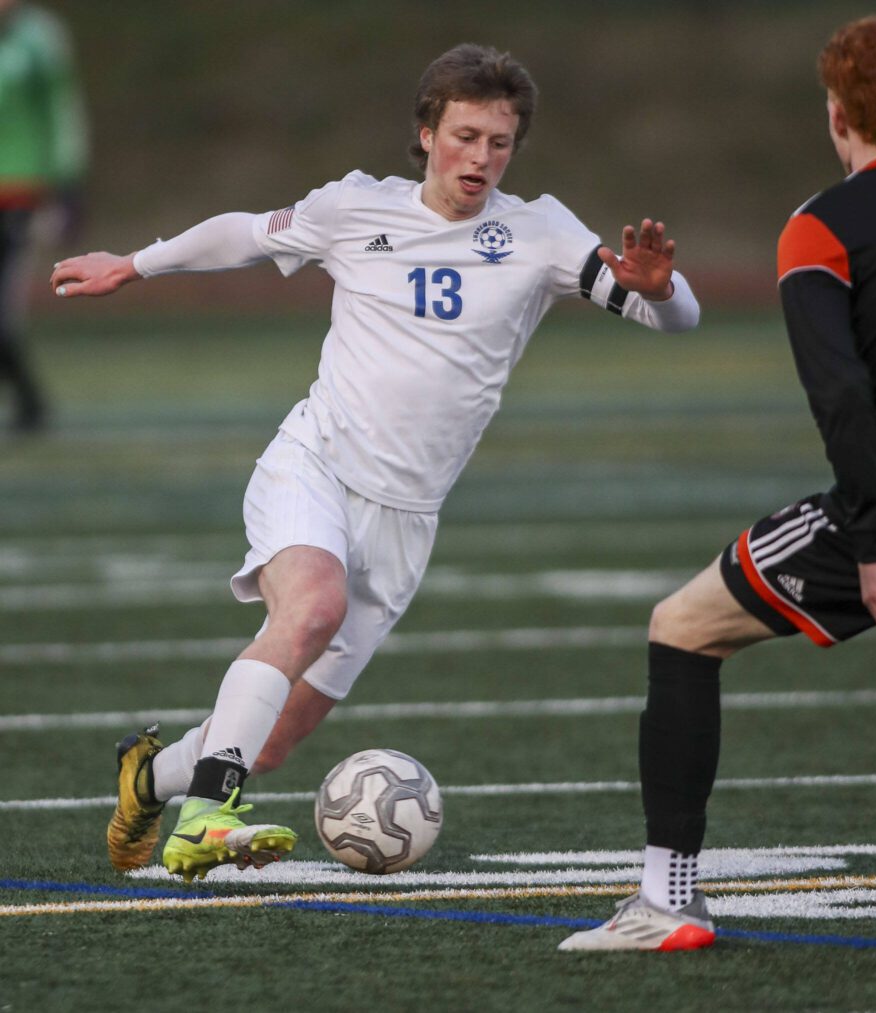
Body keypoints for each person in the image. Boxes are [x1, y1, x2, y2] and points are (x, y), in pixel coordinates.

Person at [51, 43, 702, 884]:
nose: (482, 158)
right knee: (311, 606)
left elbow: (674, 319)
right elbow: (242, 235)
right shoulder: (355, 208)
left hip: (407, 518)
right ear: (427, 132)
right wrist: (132, 265)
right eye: (466, 136)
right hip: (316, 463)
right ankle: (209, 814)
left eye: (499, 143)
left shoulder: (540, 233)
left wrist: (658, 286)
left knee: (277, 737)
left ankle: (150, 776)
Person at [559, 15, 876, 952]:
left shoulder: (822, 223)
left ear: (840, 112)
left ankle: (669, 899)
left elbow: (842, 391)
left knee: (682, 628)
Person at [0, 0, 87, 432]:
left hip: (20, 196)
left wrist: (68, 186)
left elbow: (63, 112)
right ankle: (30, 402)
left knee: (5, 315)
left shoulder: (38, 38)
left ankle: (31, 404)